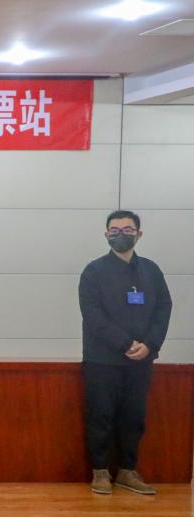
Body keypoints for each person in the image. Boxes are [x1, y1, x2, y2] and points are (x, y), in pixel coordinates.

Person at [78, 210, 172, 496]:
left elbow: (163, 309)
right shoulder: (93, 271)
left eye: (128, 230)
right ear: (106, 234)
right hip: (102, 360)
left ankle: (127, 471)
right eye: (115, 230)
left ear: (138, 234)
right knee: (101, 415)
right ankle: (100, 472)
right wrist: (125, 344)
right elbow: (93, 315)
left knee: (134, 416)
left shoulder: (151, 271)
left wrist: (150, 344)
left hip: (141, 360)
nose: (121, 235)